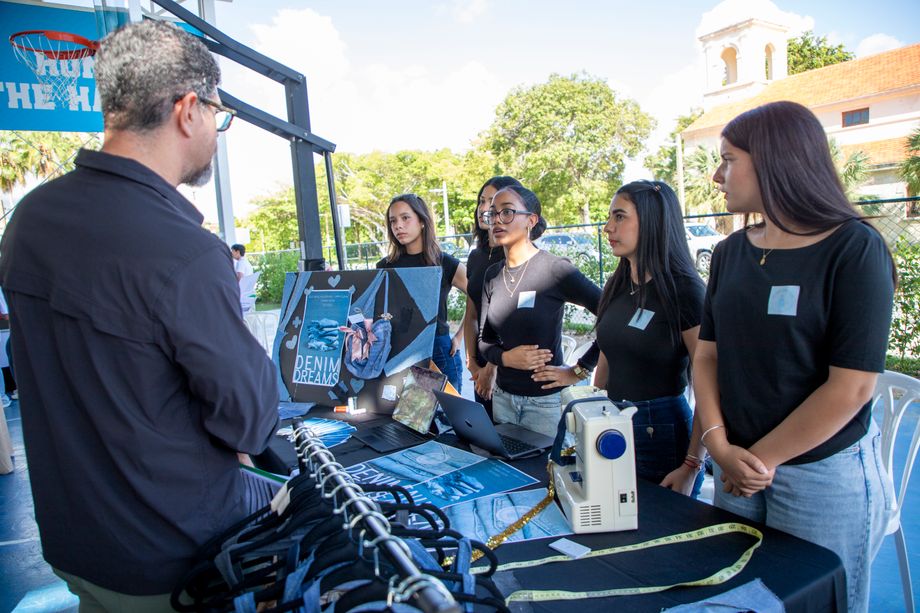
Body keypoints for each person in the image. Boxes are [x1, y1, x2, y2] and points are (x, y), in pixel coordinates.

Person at [0, 21, 279, 610]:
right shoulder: (185, 252)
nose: (217, 130)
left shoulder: (29, 220)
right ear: (187, 110)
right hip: (174, 559)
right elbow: (250, 421)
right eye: (218, 114)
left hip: (76, 546)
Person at [694, 100, 896, 613]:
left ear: (774, 160)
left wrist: (758, 460)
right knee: (734, 600)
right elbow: (708, 356)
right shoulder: (729, 252)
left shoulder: (854, 248)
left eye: (728, 160)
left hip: (819, 474)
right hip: (735, 463)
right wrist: (718, 446)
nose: (717, 176)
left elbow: (852, 387)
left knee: (815, 602)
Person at [587, 180, 706, 497]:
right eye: (609, 217)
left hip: (661, 431)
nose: (608, 227)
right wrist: (593, 412)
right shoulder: (618, 284)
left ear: (653, 221)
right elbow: (607, 355)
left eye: (619, 217)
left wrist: (692, 464)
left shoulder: (685, 291)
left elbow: (709, 384)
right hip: (613, 424)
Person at [478, 185, 601, 437]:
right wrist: (506, 358)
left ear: (531, 220)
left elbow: (613, 316)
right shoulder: (492, 275)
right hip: (502, 399)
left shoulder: (555, 270)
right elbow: (484, 341)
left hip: (545, 404)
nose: (497, 220)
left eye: (507, 212)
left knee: (545, 465)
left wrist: (579, 370)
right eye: (493, 213)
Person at [377, 194, 467, 392]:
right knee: (402, 411)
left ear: (422, 221)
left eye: (405, 218)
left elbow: (478, 297)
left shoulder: (445, 263)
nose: (398, 226)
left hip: (438, 350)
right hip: (398, 352)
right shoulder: (384, 266)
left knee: (447, 411)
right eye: (393, 221)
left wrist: (460, 336)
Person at [462, 176, 522, 417]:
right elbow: (471, 314)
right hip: (480, 366)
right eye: (482, 201)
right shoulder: (476, 257)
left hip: (506, 366)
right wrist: (472, 363)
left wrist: (490, 368)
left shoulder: (515, 254)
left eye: (493, 203)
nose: (484, 208)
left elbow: (512, 320)